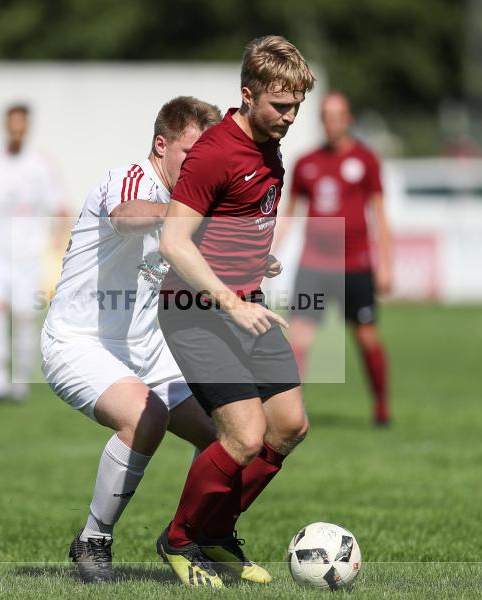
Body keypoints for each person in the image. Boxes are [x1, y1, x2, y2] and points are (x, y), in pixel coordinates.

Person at [40, 97, 225, 584]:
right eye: (189, 152)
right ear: (161, 145)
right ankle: (94, 539)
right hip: (77, 343)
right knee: (145, 416)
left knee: (231, 434)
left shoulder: (185, 205)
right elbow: (125, 216)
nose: (197, 163)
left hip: (145, 346)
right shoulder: (130, 178)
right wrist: (177, 213)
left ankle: (189, 538)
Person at [154, 35, 316, 588]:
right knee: (245, 435)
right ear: (247, 95)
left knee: (290, 425)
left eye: (298, 106)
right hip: (196, 311)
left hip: (246, 305)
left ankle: (217, 533)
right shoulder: (215, 151)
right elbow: (174, 243)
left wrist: (255, 258)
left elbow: (231, 222)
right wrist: (229, 299)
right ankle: (179, 539)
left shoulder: (269, 145)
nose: (291, 118)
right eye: (281, 106)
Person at [281, 92, 392, 426]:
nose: (333, 122)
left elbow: (379, 214)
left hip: (354, 265)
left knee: (365, 336)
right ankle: (290, 411)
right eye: (327, 115)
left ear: (349, 119)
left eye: (338, 115)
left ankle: (381, 407)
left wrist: (386, 264)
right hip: (313, 263)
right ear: (321, 121)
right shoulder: (306, 163)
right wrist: (267, 251)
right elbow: (290, 212)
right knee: (299, 336)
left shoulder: (366, 160)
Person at [0, 103, 68, 403]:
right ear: (6, 126)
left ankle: (19, 380)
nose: (17, 130)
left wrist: (58, 239)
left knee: (24, 317)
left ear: (27, 127)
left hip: (27, 254)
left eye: (22, 125)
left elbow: (60, 205)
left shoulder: (41, 163)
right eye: (12, 124)